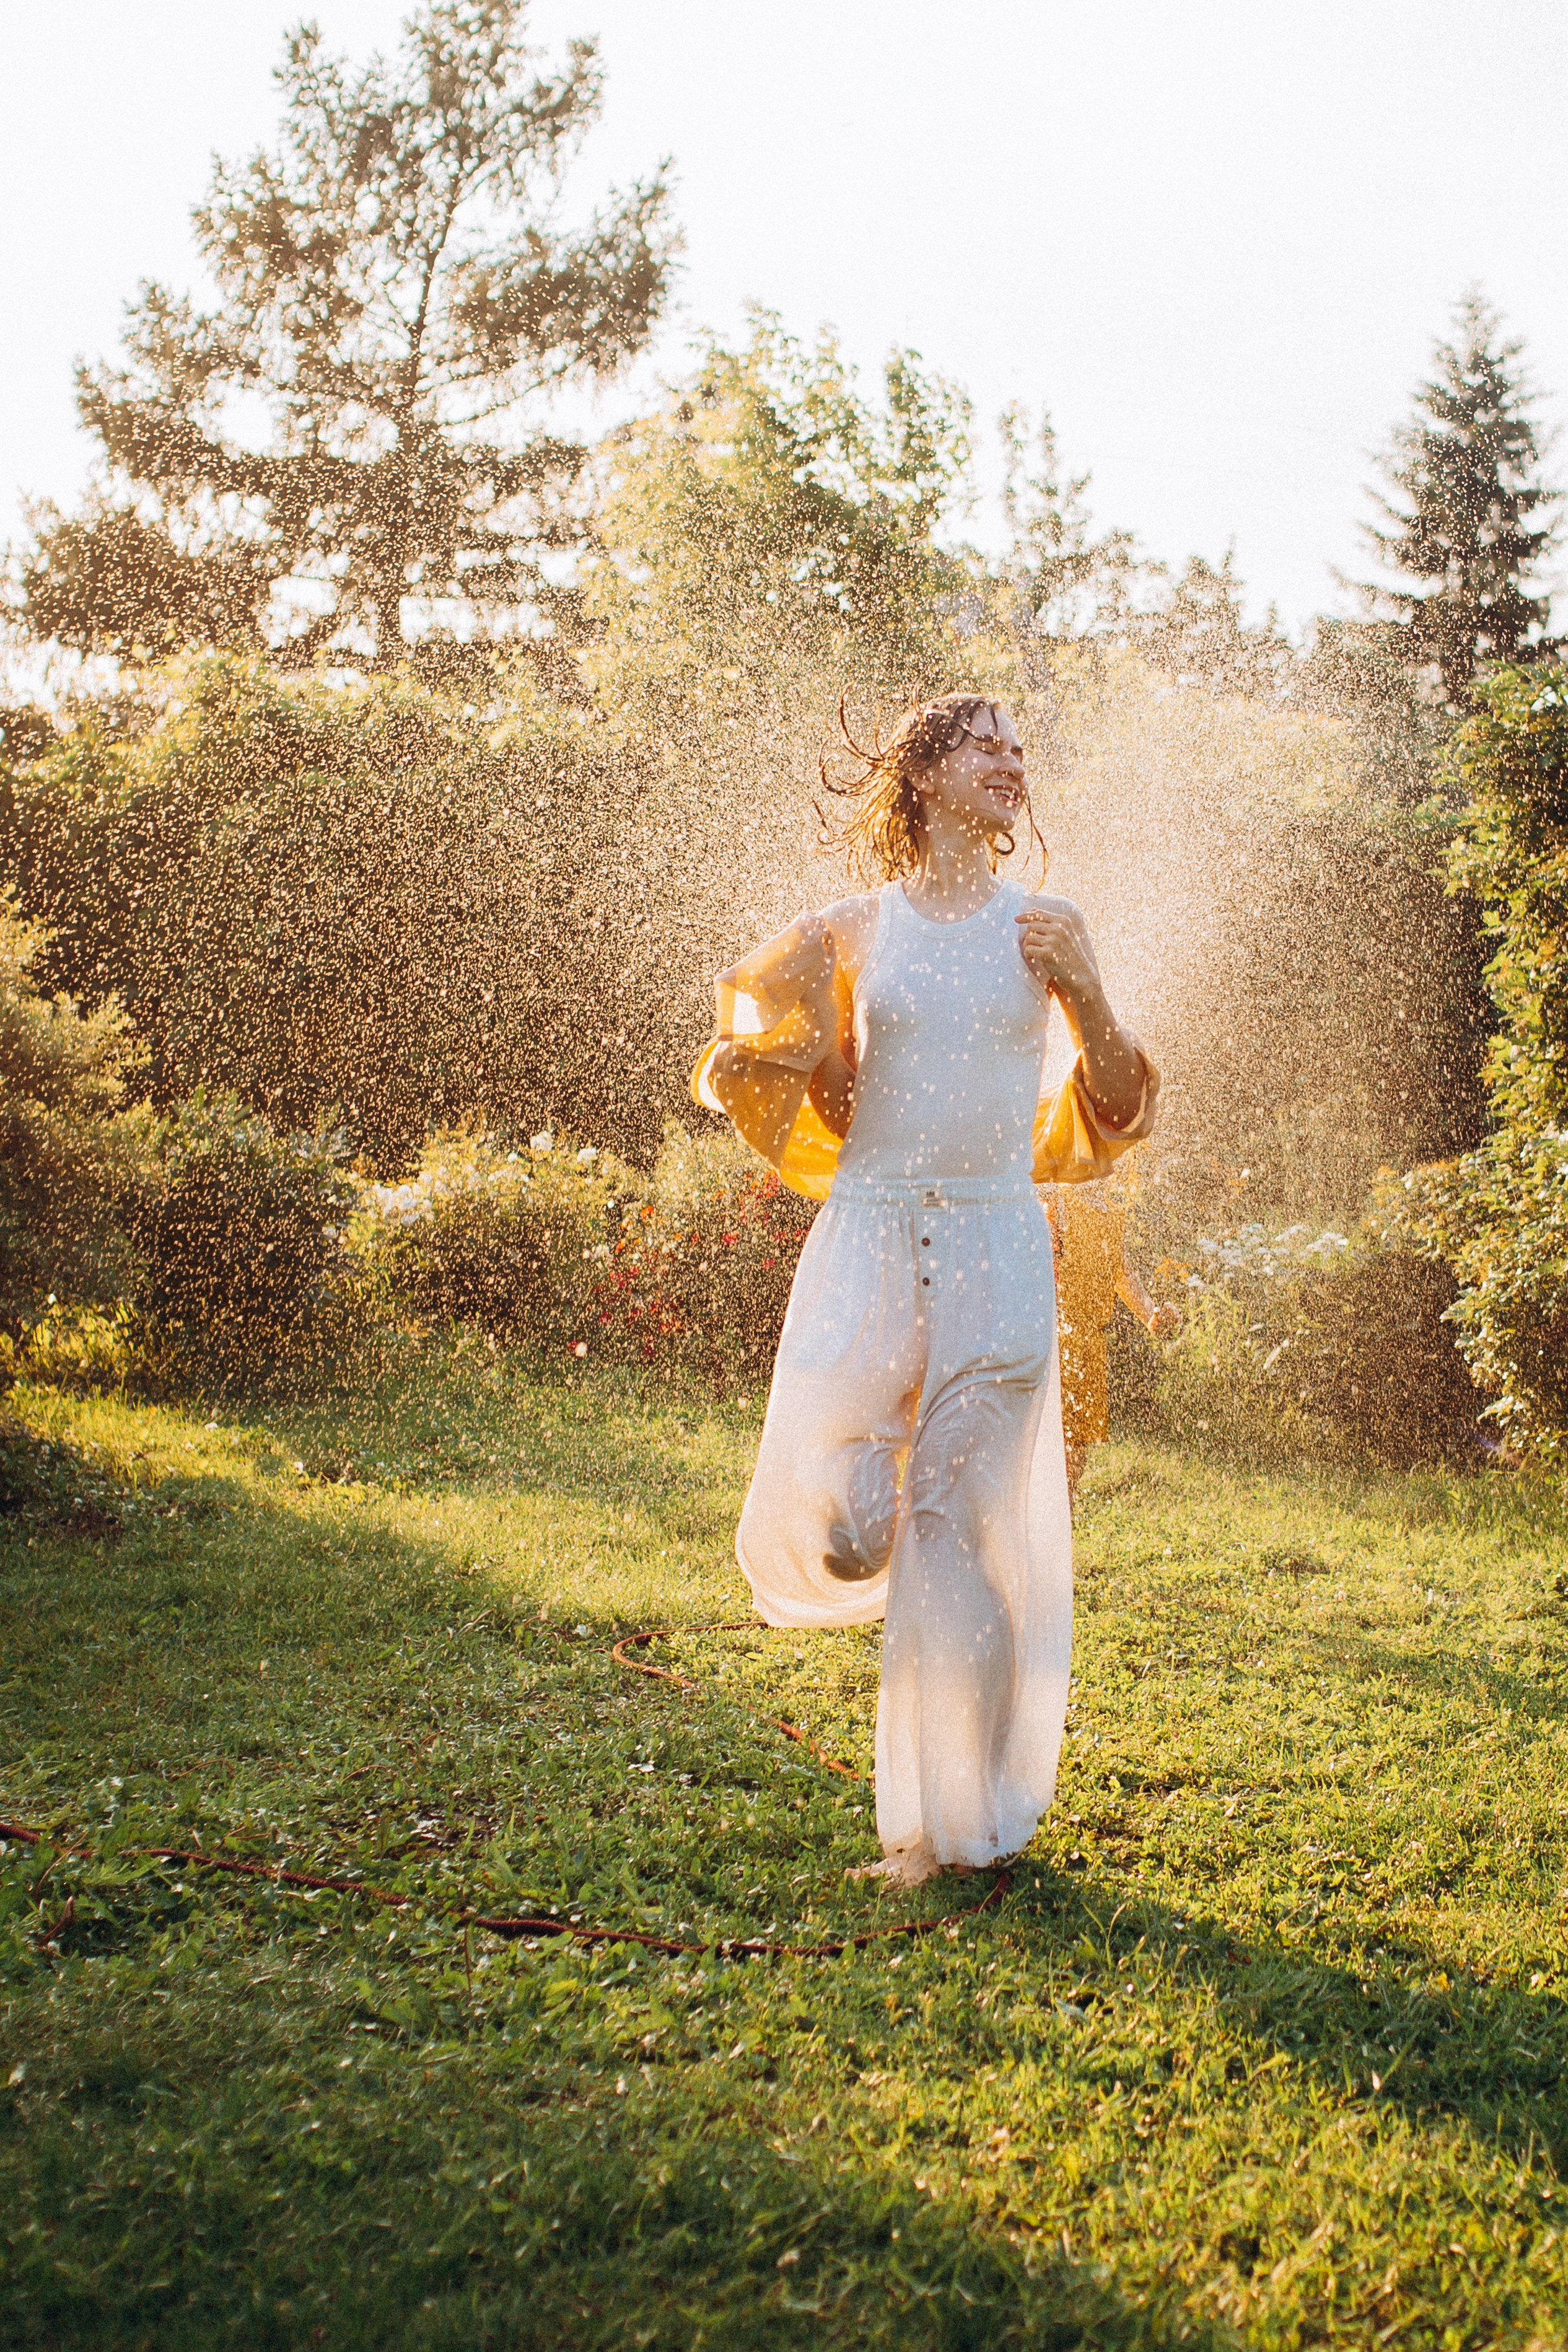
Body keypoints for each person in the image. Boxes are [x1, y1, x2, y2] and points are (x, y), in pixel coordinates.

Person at [693, 693, 1158, 1885]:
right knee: (854, 1526)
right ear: (923, 776)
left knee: (953, 1527)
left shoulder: (1047, 925)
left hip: (1000, 1245)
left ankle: (963, 1828)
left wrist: (1091, 996)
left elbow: (1118, 1104)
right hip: (872, 1242)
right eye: (984, 744)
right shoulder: (850, 930)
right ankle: (959, 1804)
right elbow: (805, 1079)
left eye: (1020, 748)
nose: (1012, 762)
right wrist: (805, 1043)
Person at [1043, 1185, 1180, 1510]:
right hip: (1052, 1334)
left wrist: (1150, 1315)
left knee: (1075, 1447)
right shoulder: (1055, 1196)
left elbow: (1122, 1270)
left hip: (1089, 1340)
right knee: (1045, 1442)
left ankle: (1062, 1524)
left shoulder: (1108, 1210)